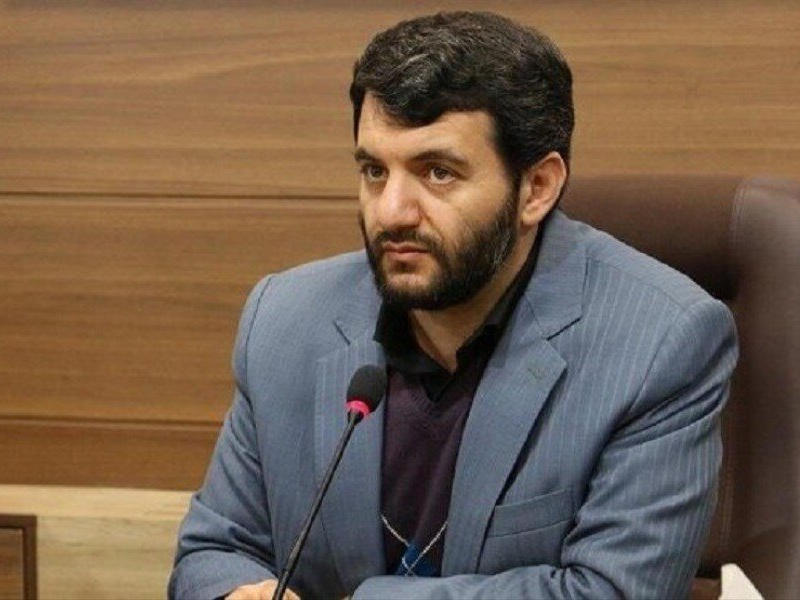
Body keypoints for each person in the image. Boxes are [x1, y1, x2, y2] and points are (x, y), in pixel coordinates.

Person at [169, 11, 738, 600]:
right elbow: (213, 551)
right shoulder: (285, 318)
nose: (391, 211)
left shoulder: (661, 342)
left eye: (437, 173)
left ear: (537, 187)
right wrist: (234, 593)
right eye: (374, 171)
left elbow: (615, 591)